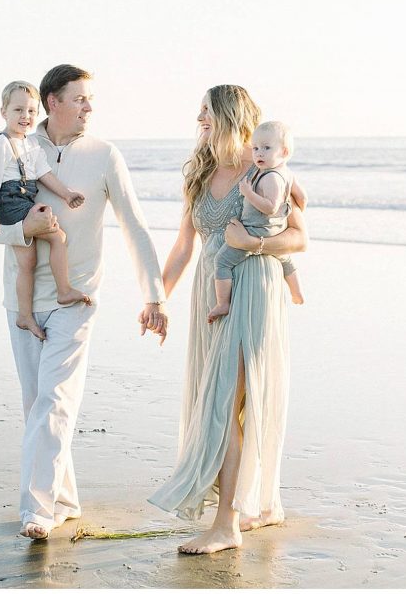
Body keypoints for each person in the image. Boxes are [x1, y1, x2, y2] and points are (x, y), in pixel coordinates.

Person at [0, 64, 168, 540]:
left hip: (75, 296)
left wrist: (154, 296)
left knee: (56, 402)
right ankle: (64, 498)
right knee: (37, 405)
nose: (89, 107)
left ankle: (37, 511)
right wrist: (25, 230)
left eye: (90, 99)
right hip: (20, 301)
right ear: (52, 101)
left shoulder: (104, 155)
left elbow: (135, 225)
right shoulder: (17, 146)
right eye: (79, 98)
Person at [147, 85, 308, 554]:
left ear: (227, 116)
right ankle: (261, 504)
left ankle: (227, 525)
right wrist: (157, 299)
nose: (198, 120)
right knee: (220, 399)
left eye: (205, 113)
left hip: (254, 289)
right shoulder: (200, 175)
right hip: (211, 293)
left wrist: (252, 244)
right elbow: (183, 246)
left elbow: (299, 239)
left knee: (226, 401)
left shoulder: (265, 170)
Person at [0, 81, 91, 341]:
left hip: (24, 199)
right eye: (18, 110)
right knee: (57, 237)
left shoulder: (31, 145)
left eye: (31, 111)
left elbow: (44, 174)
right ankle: (62, 290)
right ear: (3, 112)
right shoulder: (2, 144)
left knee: (27, 263)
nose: (25, 117)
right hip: (10, 202)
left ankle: (25, 315)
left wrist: (66, 194)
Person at [208, 120, 304, 323]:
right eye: (256, 148)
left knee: (222, 261)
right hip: (276, 230)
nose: (259, 153)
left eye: (267, 148)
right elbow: (302, 196)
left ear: (284, 152)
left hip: (254, 231)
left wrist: (248, 193)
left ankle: (222, 303)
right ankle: (296, 293)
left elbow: (270, 206)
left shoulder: (271, 178)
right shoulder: (287, 173)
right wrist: (298, 209)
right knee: (285, 258)